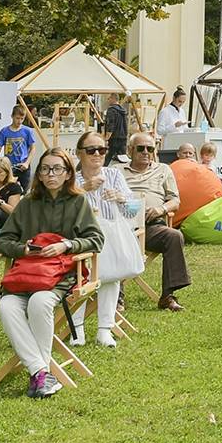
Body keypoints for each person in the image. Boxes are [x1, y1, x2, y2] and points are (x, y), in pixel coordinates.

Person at [0, 147, 102, 397]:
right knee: (6, 306)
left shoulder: (78, 201)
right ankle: (41, 371)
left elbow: (96, 240)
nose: (50, 174)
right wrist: (24, 249)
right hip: (26, 275)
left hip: (61, 276)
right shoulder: (28, 203)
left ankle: (39, 373)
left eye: (57, 169)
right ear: (39, 175)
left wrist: (67, 245)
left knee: (40, 303)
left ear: (67, 174)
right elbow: (3, 240)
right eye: (45, 169)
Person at [75, 133, 140, 346]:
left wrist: (121, 198)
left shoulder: (114, 175)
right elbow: (58, 206)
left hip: (110, 236)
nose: (97, 154)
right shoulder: (71, 180)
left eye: (101, 150)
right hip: (79, 236)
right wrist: (84, 189)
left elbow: (132, 212)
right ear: (79, 153)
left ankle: (105, 329)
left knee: (111, 276)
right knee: (80, 276)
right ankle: (77, 328)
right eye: (91, 150)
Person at [121, 131, 191, 311]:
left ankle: (168, 296)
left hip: (153, 225)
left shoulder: (164, 170)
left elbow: (175, 200)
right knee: (113, 239)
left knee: (174, 236)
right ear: (130, 150)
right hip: (123, 226)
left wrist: (161, 209)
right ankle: (116, 297)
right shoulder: (117, 170)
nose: (145, 152)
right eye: (140, 148)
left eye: (150, 148)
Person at [0, 102, 40, 182]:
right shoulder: (4, 131)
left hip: (23, 165)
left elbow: (32, 148)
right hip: (9, 166)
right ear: (12, 116)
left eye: (22, 119)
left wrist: (27, 163)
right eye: (17, 118)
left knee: (24, 190)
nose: (20, 121)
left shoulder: (27, 131)